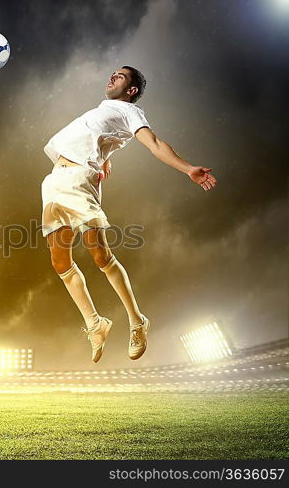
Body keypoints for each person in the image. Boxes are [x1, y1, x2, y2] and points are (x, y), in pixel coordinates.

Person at [42, 66, 217, 363]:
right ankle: (95, 324)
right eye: (113, 73)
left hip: (79, 181)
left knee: (99, 255)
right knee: (59, 262)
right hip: (53, 182)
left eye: (120, 76)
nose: (112, 77)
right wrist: (106, 155)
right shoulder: (103, 111)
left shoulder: (130, 112)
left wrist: (188, 168)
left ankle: (137, 321)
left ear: (131, 90)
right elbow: (102, 136)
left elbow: (155, 143)